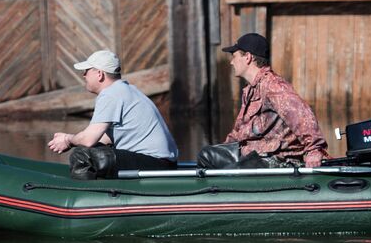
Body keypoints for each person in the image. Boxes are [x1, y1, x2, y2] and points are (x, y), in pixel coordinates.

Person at [200, 33, 327, 168]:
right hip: (250, 154)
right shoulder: (250, 90)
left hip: (276, 158)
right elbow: (238, 132)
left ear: (248, 57)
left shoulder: (273, 85)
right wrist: (224, 149)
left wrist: (314, 150)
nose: (231, 62)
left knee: (233, 172)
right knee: (207, 155)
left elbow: (302, 115)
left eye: (234, 56)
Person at [48, 49, 178, 178]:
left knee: (82, 155)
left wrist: (68, 140)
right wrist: (73, 140)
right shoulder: (127, 89)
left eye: (86, 71)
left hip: (155, 164)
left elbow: (88, 140)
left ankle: (89, 194)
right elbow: (106, 138)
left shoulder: (110, 94)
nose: (83, 75)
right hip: (163, 163)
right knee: (91, 150)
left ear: (99, 74)